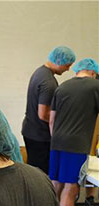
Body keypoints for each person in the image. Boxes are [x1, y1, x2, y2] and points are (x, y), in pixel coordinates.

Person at [49, 58, 99, 206]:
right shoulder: (95, 87)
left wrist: (58, 140)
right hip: (77, 145)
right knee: (71, 190)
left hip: (57, 143)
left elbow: (51, 120)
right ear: (93, 72)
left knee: (55, 185)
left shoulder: (62, 87)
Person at [22, 46, 76, 174]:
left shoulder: (39, 72)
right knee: (41, 174)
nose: (68, 69)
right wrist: (62, 124)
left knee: (33, 171)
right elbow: (43, 114)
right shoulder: (49, 83)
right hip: (40, 136)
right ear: (59, 61)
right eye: (67, 66)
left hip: (30, 130)